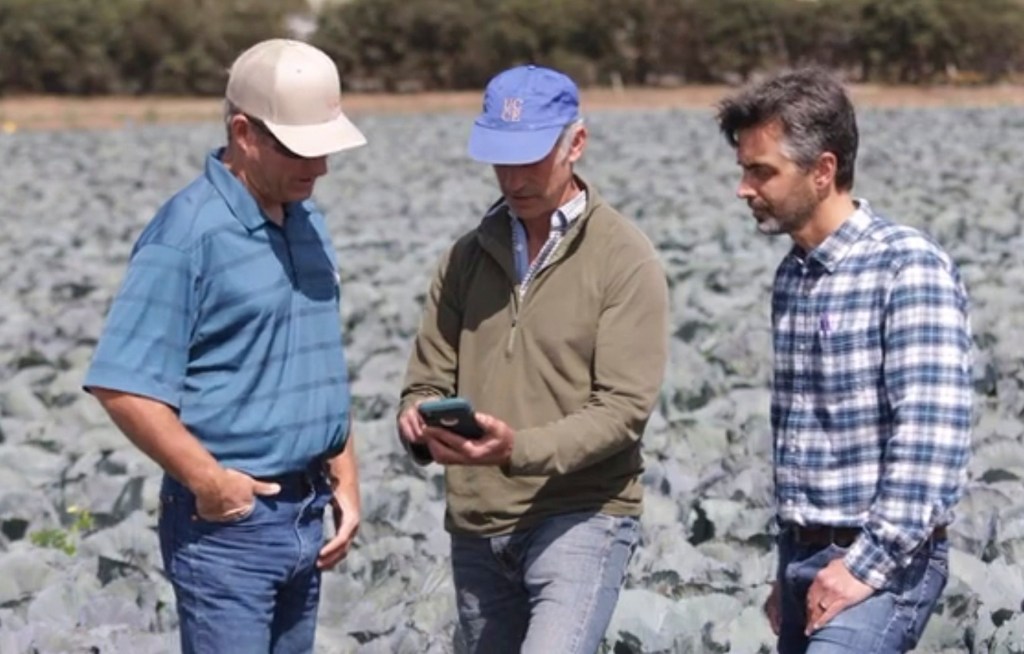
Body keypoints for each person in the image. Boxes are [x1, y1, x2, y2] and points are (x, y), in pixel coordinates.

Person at [83, 39, 365, 654]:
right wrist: (211, 484)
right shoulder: (186, 234)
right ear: (244, 132)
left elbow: (315, 356)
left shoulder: (307, 221)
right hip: (228, 532)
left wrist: (344, 473)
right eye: (301, 150)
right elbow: (122, 385)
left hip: (307, 514)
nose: (319, 170)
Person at [396, 64, 669, 653]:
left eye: (531, 157)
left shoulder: (624, 258)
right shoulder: (466, 259)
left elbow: (622, 410)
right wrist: (417, 420)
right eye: (501, 157)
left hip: (579, 514)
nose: (513, 177)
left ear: (577, 143)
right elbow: (425, 378)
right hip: (476, 522)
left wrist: (516, 449)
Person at [716, 67, 972, 653]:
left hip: (885, 561)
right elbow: (803, 437)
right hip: (805, 554)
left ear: (823, 170)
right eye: (743, 170)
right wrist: (789, 567)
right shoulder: (793, 275)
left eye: (762, 172)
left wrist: (861, 566)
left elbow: (930, 440)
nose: (744, 189)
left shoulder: (907, 266)